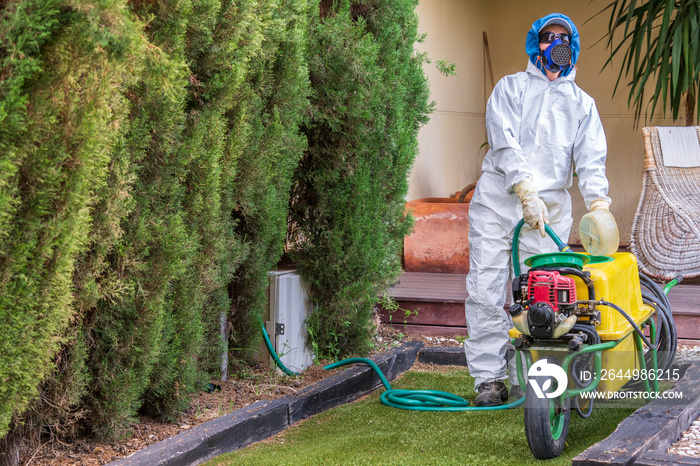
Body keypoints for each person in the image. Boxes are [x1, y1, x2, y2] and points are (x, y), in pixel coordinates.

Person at [464, 13, 614, 407]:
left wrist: (599, 202)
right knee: (485, 291)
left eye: (563, 37)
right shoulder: (510, 89)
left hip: (548, 213)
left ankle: (527, 379)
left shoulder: (582, 104)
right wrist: (522, 186)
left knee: (540, 297)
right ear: (536, 44)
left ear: (573, 48)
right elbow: (503, 139)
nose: (555, 43)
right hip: (498, 205)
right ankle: (488, 380)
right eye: (548, 37)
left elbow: (591, 159)